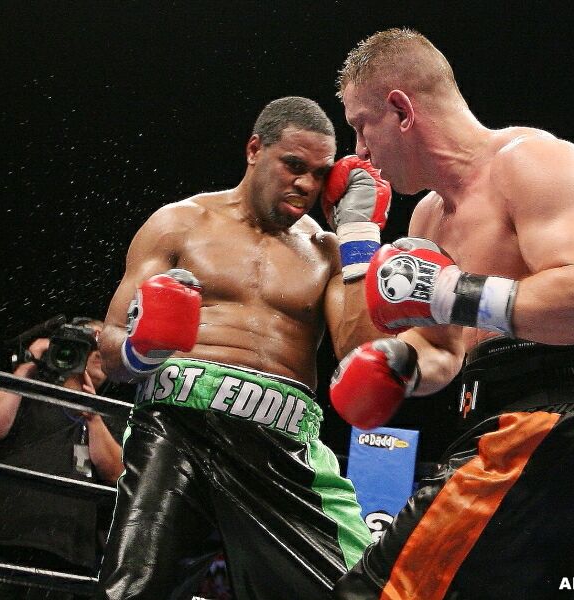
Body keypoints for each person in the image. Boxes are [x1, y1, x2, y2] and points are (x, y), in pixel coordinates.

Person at [329, 29, 574, 599]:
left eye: (361, 125)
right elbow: (442, 349)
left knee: (379, 591)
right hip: (494, 423)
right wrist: (396, 362)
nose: (359, 151)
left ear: (401, 110)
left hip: (556, 418)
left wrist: (452, 291)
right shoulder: (428, 220)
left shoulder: (534, 162)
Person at [94, 96, 391, 600]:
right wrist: (143, 349)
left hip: (282, 443)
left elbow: (362, 355)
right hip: (176, 427)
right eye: (293, 165)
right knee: (133, 591)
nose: (307, 184)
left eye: (320, 174)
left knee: (360, 591)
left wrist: (361, 235)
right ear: (255, 149)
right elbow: (110, 348)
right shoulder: (179, 223)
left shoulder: (326, 252)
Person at [0, 317, 125, 600]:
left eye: (104, 346)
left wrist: (92, 415)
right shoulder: (25, 392)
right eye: (91, 343)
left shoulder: (110, 415)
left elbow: (115, 473)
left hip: (69, 555)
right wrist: (28, 365)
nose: (98, 352)